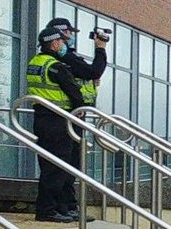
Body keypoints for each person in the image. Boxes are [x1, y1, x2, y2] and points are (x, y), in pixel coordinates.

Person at [45, 18, 107, 220]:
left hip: (72, 116)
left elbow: (89, 75)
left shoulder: (67, 57)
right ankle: (59, 208)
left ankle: (67, 206)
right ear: (58, 37)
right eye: (67, 34)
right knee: (62, 165)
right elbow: (93, 71)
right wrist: (100, 48)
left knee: (71, 164)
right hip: (62, 117)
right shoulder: (61, 60)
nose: (70, 38)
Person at [26, 27, 84, 223]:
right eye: (61, 41)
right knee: (58, 167)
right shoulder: (55, 66)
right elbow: (75, 93)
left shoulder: (35, 63)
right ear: (54, 43)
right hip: (58, 121)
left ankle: (57, 208)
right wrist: (80, 109)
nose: (63, 44)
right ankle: (48, 210)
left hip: (41, 119)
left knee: (49, 166)